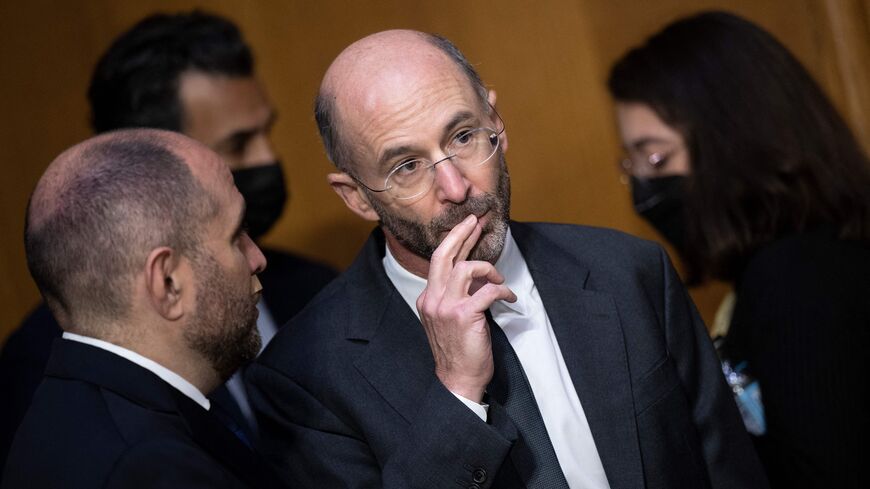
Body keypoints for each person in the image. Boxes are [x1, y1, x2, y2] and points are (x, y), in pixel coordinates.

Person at [246, 29, 768, 489]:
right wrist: (456, 395)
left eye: (464, 136)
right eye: (406, 166)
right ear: (356, 197)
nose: (456, 187)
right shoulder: (305, 377)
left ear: (496, 121)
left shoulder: (628, 273)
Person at [0, 11, 336, 466]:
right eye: (238, 145)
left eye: (267, 132)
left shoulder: (316, 290)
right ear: (151, 163)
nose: (268, 158)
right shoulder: (46, 368)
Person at [607, 11, 870, 489]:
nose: (643, 184)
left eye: (657, 156)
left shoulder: (798, 276)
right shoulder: (782, 267)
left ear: (732, 141)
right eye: (634, 161)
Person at [2, 129, 284, 488]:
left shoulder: (72, 410)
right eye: (235, 236)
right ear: (167, 283)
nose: (257, 258)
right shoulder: (156, 468)